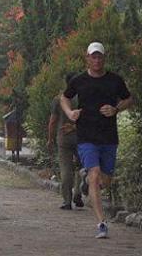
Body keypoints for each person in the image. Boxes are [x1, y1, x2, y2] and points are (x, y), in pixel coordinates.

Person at [60, 42, 133, 239]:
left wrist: (116, 109)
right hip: (86, 136)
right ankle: (101, 223)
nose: (97, 60)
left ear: (104, 58)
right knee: (94, 173)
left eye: (99, 56)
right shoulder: (79, 81)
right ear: (87, 58)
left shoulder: (115, 80)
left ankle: (86, 184)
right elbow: (64, 97)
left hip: (108, 137)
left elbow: (128, 99)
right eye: (93, 56)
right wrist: (70, 112)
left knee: (105, 180)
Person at [47, 72, 84, 210]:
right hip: (82, 137)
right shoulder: (83, 97)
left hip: (63, 138)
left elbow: (52, 122)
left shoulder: (59, 100)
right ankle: (78, 194)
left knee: (66, 169)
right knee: (82, 166)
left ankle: (67, 201)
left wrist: (50, 139)